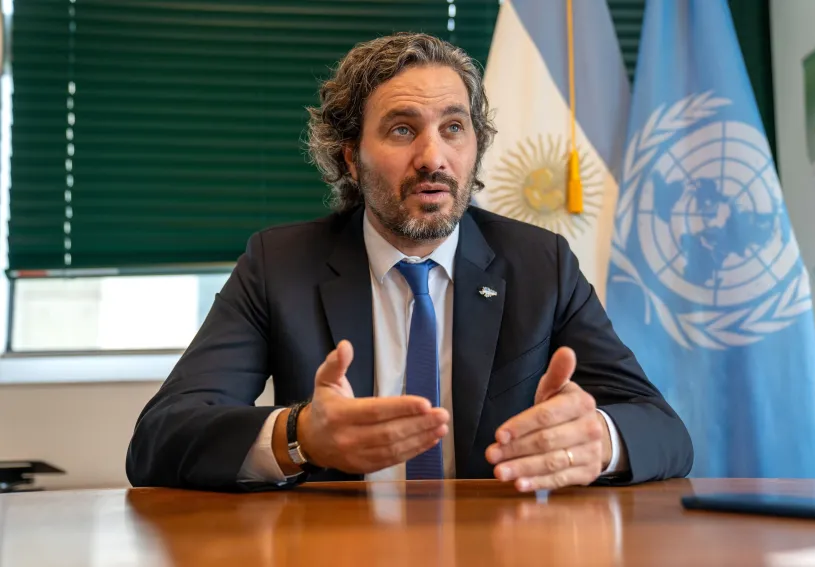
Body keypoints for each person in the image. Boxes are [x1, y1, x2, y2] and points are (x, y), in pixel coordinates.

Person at [126, 33, 693, 493]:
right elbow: (159, 439)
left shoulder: (540, 264)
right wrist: (299, 437)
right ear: (351, 158)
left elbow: (664, 430)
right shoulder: (279, 265)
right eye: (402, 130)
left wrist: (598, 440)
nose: (433, 157)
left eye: (454, 128)